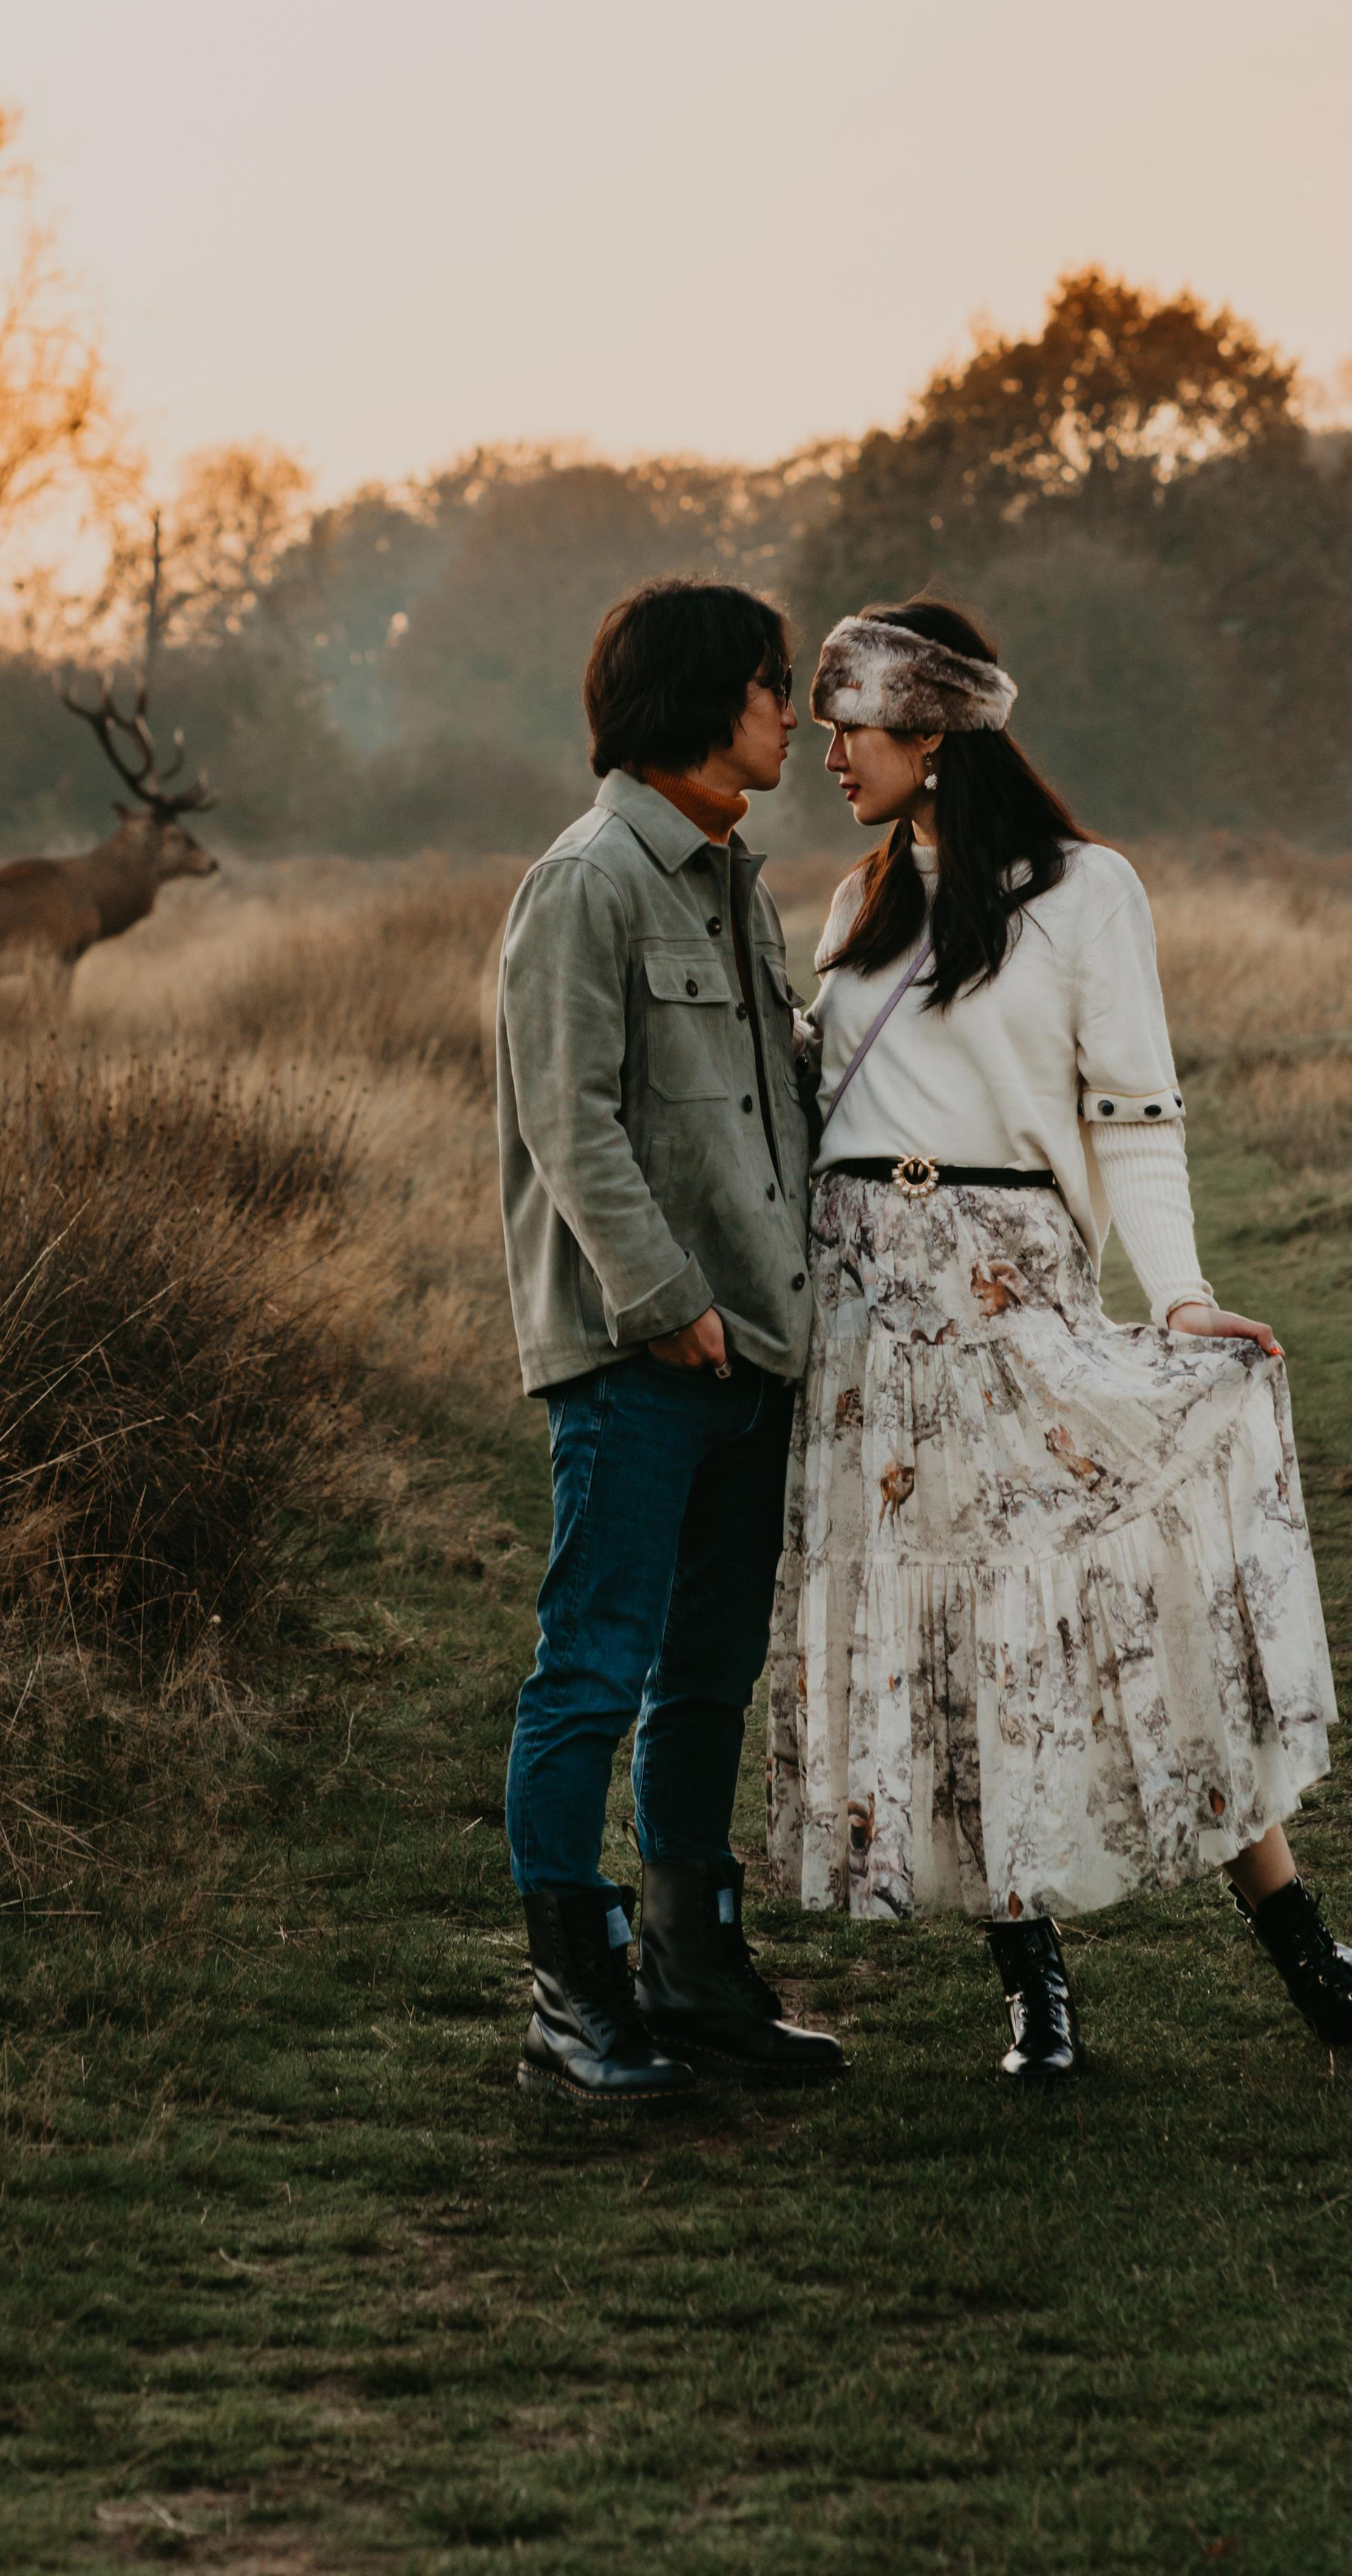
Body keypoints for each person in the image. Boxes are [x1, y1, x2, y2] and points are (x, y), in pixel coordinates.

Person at [766, 595, 1352, 2079]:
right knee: (945, 1642)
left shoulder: (1087, 893)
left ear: (936, 726)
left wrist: (1181, 1288)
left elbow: (1135, 1118)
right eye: (822, 720)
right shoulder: (855, 901)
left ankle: (1309, 1955)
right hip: (866, 1331)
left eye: (854, 719)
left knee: (1139, 1614)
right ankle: (1032, 1991)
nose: (828, 748)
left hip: (1013, 1298)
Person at [495, 578, 847, 2108]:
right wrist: (669, 1303)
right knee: (590, 1668)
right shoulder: (585, 882)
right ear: (703, 701)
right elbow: (566, 1121)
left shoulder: (728, 881)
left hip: (747, 1354)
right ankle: (570, 2007)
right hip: (643, 1357)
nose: (793, 710)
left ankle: (692, 1974)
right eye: (774, 682)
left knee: (703, 1676)